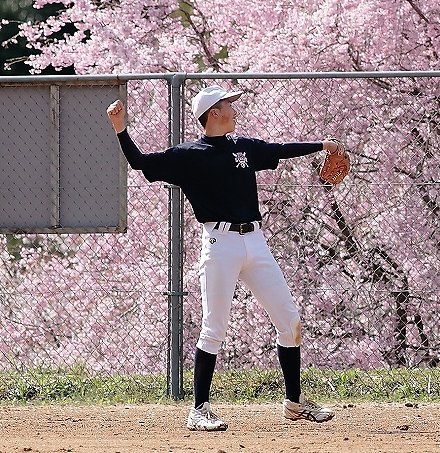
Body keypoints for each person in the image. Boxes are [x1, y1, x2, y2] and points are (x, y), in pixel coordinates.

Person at [106, 85, 337, 431]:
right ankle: (198, 410)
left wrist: (321, 145)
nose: (234, 107)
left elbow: (279, 150)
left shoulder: (242, 147)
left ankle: (294, 402)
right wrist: (121, 128)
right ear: (214, 113)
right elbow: (142, 164)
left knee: (290, 322)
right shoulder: (189, 155)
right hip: (219, 244)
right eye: (228, 103)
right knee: (214, 329)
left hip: (255, 243)